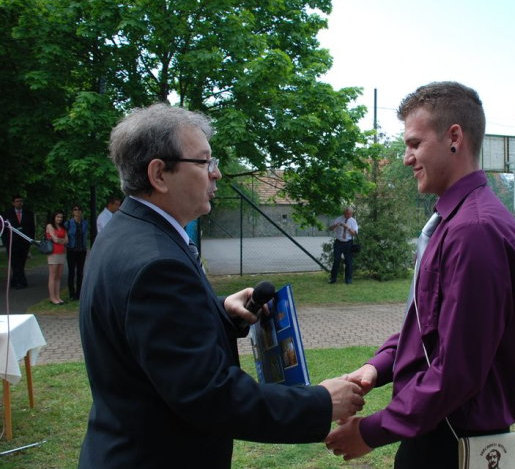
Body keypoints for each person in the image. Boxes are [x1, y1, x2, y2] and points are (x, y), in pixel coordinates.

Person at [78, 104, 364, 468]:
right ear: (159, 174)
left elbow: (147, 330)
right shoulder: (157, 263)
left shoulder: (127, 232)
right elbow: (209, 395)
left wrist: (219, 310)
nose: (217, 174)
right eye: (204, 162)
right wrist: (321, 401)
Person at [324, 81, 515, 467]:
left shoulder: (475, 231)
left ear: (454, 137)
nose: (406, 158)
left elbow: (457, 370)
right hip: (435, 435)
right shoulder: (453, 223)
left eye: (414, 144)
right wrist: (378, 367)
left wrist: (370, 431)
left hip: (452, 444)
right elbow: (428, 329)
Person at [2, 195, 36, 289]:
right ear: (13, 203)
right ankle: (21, 281)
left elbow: (32, 228)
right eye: (17, 201)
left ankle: (15, 280)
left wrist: (30, 240)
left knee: (22, 262)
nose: (19, 203)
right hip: (12, 242)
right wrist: (6, 241)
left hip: (24, 243)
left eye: (21, 201)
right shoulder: (6, 214)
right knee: (14, 262)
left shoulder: (28, 214)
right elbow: (4, 229)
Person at [327, 206, 358, 285]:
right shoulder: (338, 219)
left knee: (348, 261)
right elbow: (329, 228)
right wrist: (335, 226)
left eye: (350, 214)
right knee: (336, 261)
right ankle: (333, 279)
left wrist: (348, 228)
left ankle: (348, 279)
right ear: (344, 213)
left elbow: (354, 233)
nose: (349, 215)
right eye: (347, 214)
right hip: (338, 242)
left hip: (348, 243)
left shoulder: (353, 221)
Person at [65, 204, 88, 301]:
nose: (77, 212)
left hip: (81, 250)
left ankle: (79, 293)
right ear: (72, 212)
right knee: (71, 272)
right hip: (72, 250)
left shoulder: (85, 223)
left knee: (80, 272)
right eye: (75, 210)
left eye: (79, 210)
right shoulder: (68, 223)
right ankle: (71, 293)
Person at [45, 210, 68, 305]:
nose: (59, 219)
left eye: (61, 217)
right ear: (54, 217)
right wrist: (60, 240)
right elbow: (55, 239)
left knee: (58, 276)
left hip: (62, 252)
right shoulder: (49, 226)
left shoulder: (62, 227)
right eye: (58, 217)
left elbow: (67, 240)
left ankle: (57, 296)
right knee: (53, 275)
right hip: (53, 252)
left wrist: (60, 240)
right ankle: (52, 297)